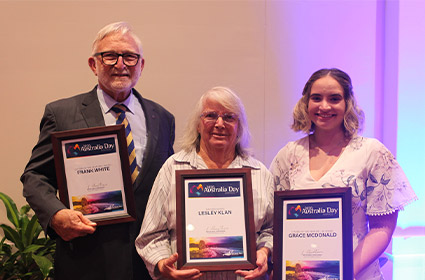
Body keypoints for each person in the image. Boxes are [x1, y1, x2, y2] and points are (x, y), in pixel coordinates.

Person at [20, 22, 175, 280]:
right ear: (94, 64)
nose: (120, 64)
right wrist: (56, 214)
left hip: (146, 265)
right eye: (110, 56)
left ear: (141, 65)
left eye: (129, 56)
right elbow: (35, 177)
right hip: (84, 259)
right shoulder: (61, 115)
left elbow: (168, 186)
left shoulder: (163, 118)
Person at [269, 68, 417, 280]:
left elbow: (382, 227)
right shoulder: (289, 155)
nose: (324, 106)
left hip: (356, 275)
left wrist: (345, 272)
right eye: (316, 98)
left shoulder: (372, 153)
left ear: (347, 103)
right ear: (306, 103)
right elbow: (275, 222)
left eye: (335, 98)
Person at [135, 86, 274, 279]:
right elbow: (151, 236)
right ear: (198, 125)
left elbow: (271, 230)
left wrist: (265, 252)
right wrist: (163, 264)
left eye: (229, 117)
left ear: (239, 127)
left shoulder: (259, 173)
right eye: (210, 115)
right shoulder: (173, 168)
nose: (219, 123)